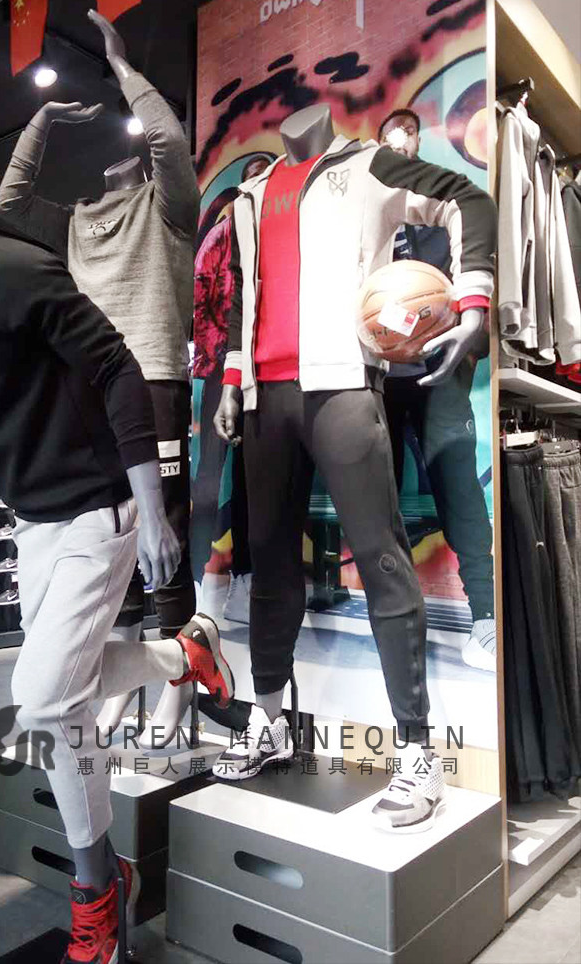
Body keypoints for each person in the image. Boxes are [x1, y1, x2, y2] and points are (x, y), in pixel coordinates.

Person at [0, 207, 234, 964]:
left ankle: (98, 893)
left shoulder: (17, 270)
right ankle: (184, 656)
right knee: (66, 689)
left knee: (46, 702)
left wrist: (153, 510)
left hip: (96, 508)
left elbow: (117, 368)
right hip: (31, 519)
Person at [212, 102, 497, 832]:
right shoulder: (252, 192)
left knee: (382, 559)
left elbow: (466, 197)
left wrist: (472, 299)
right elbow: (247, 295)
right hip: (265, 400)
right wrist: (234, 380)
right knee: (270, 565)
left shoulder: (368, 164)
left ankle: (417, 754)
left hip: (341, 385)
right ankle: (270, 723)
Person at [0, 10, 199, 742]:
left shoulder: (169, 208)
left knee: (164, 533)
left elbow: (168, 140)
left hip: (153, 381)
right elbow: (8, 203)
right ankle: (129, 671)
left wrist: (121, 65)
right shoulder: (77, 221)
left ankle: (181, 676)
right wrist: (41, 122)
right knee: (110, 537)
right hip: (86, 396)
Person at [378, 108, 496, 672]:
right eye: (393, 138)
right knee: (379, 495)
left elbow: (457, 287)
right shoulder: (371, 215)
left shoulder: (444, 208)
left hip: (437, 370)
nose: (402, 146)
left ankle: (485, 617)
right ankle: (396, 614)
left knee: (459, 487)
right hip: (379, 375)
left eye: (410, 137)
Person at [191, 155, 271, 624]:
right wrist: (216, 362)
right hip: (224, 365)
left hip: (265, 371)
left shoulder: (275, 236)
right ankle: (196, 580)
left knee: (250, 481)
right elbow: (200, 298)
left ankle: (243, 579)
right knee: (210, 475)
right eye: (252, 181)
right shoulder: (221, 236)